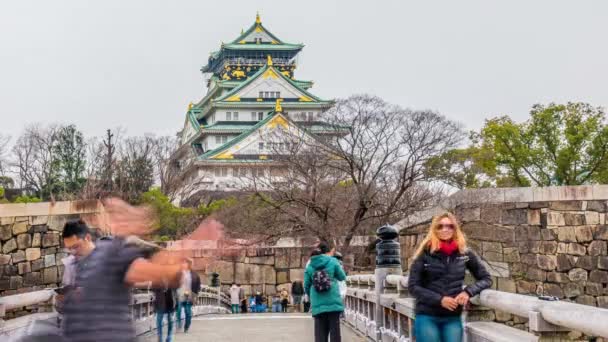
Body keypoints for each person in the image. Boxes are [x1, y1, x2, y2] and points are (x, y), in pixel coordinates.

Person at [61, 199, 183, 342]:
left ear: (88, 238)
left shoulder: (112, 251)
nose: (72, 252)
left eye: (76, 247)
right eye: (69, 248)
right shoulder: (77, 264)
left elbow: (154, 271)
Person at [408, 212, 492, 342]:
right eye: (440, 226)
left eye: (449, 226)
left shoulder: (465, 253)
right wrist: (440, 300)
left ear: (455, 229)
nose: (445, 229)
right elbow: (413, 286)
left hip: (452, 317)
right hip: (427, 315)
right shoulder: (425, 253)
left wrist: (468, 292)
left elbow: (486, 279)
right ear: (434, 229)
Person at [304, 241, 347, 342]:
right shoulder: (333, 261)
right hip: (333, 302)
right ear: (329, 251)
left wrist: (311, 296)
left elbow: (306, 285)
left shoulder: (310, 265)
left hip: (317, 303)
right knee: (335, 333)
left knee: (320, 333)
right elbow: (342, 277)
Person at [176, 258, 201, 333]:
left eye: (185, 263)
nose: (184, 264)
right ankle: (179, 323)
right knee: (179, 310)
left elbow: (198, 284)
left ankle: (186, 326)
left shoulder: (194, 274)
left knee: (188, 312)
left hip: (189, 295)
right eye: (182, 263)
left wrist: (196, 295)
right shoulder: (178, 273)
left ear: (188, 264)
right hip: (180, 294)